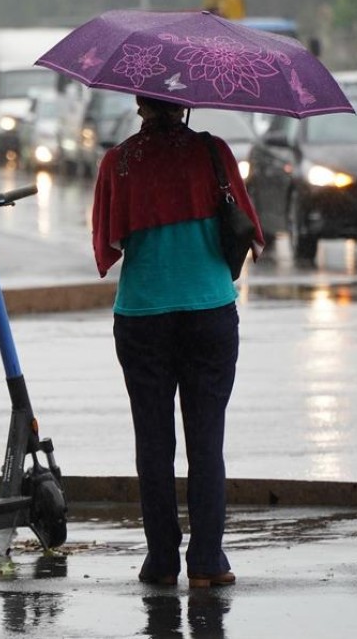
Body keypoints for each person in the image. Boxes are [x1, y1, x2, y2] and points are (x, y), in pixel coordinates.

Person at [91, 94, 264, 588]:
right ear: (185, 104)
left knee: (153, 443)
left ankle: (161, 562)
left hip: (143, 316)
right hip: (209, 312)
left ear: (139, 104)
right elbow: (248, 227)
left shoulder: (118, 162)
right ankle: (208, 561)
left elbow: (110, 241)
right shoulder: (214, 153)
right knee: (207, 441)